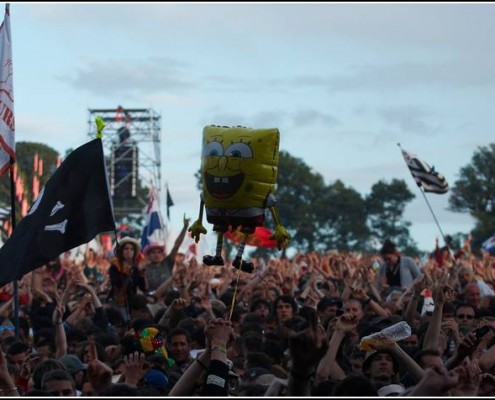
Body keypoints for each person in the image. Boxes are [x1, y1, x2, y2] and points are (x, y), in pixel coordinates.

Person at [143, 214, 191, 292]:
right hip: (151, 300)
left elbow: (176, 245)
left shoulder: (167, 263)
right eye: (153, 252)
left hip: (169, 299)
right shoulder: (144, 269)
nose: (156, 255)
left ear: (162, 255)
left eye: (159, 252)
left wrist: (185, 228)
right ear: (148, 255)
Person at [108, 237, 147, 322]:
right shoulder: (115, 266)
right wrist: (128, 273)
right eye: (126, 249)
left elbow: (143, 288)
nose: (129, 251)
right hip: (118, 302)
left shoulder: (136, 268)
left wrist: (141, 273)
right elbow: (115, 283)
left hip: (133, 303)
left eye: (132, 249)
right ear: (121, 251)